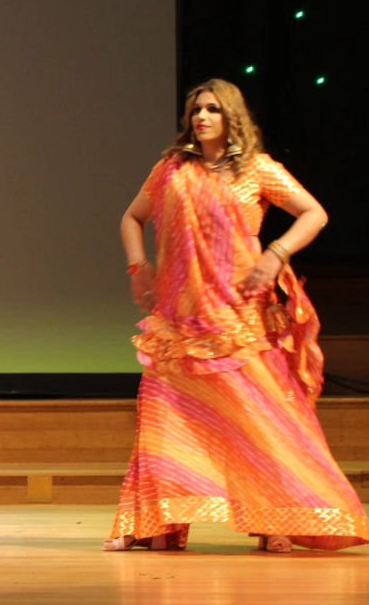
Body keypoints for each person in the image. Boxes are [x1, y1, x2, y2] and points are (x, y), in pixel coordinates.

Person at [105, 79, 368, 552]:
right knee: (166, 419)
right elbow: (132, 218)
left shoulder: (257, 168)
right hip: (178, 317)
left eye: (212, 109)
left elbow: (314, 213)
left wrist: (276, 253)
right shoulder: (171, 169)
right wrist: (138, 267)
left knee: (260, 421)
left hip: (238, 314)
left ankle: (276, 521)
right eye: (196, 110)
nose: (202, 117)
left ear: (232, 117)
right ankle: (156, 523)